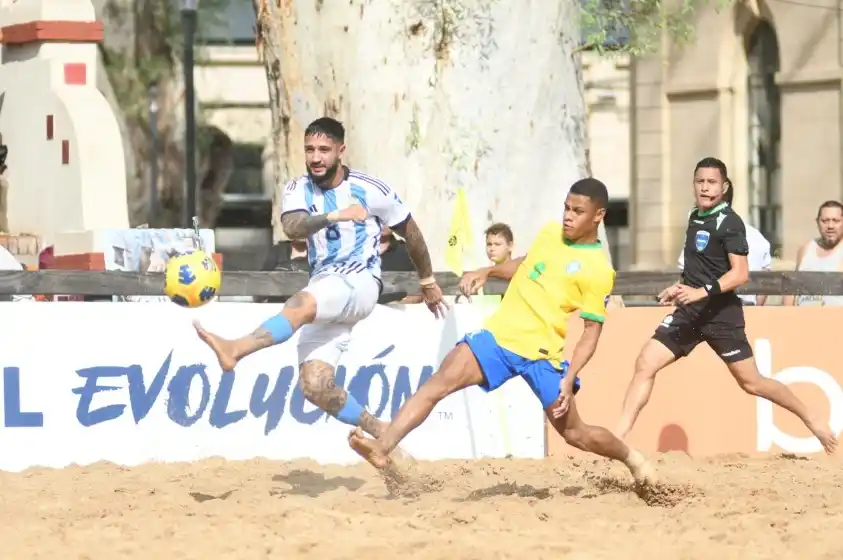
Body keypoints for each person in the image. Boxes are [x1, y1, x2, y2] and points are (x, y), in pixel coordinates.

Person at [348, 178, 654, 484]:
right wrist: (488, 270)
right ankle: (383, 447)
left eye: (577, 211)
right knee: (437, 383)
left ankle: (631, 458)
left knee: (577, 434)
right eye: (566, 208)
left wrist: (570, 377)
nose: (567, 216)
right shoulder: (550, 234)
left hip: (542, 355)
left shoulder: (598, 269)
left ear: (598, 216)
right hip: (498, 339)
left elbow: (591, 332)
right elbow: (525, 264)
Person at [194, 117, 447, 439]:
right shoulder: (297, 188)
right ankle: (382, 433)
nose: (316, 157)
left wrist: (426, 281)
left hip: (359, 283)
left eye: (324, 150)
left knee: (300, 303)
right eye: (310, 149)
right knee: (315, 386)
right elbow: (293, 227)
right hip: (326, 287)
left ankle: (236, 349)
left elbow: (410, 232)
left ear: (341, 150)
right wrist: (334, 215)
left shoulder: (371, 189)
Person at [613, 157, 837, 453]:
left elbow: (740, 274)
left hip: (721, 315)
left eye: (712, 182)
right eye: (700, 181)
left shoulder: (729, 223)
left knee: (752, 382)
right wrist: (679, 287)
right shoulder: (695, 216)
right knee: (645, 362)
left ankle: (811, 417)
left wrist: (702, 291)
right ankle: (617, 439)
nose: (705, 188)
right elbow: (699, 266)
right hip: (690, 313)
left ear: (724, 187)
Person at [677, 186, 772, 306]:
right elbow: (764, 282)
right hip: (748, 310)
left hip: (710, 308)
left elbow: (685, 274)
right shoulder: (759, 238)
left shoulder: (702, 232)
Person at [783, 200, 843, 307]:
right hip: (803, 318)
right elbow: (793, 287)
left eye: (836, 221)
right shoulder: (806, 249)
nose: (830, 226)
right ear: (817, 222)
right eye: (825, 220)